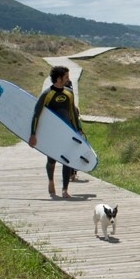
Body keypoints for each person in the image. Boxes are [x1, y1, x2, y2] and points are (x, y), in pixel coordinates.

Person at [30, 65, 82, 198]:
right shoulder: (47, 94)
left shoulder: (69, 93)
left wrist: (78, 130)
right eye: (66, 77)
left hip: (67, 132)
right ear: (59, 79)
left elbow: (73, 113)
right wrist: (33, 134)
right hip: (52, 133)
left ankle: (65, 189)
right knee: (51, 160)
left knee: (67, 160)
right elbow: (36, 115)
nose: (68, 79)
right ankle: (51, 181)